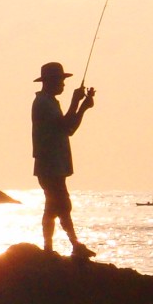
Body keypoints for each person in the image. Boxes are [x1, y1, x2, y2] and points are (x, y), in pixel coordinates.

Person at [32, 61, 96, 257]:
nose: (63, 85)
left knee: (55, 206)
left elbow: (69, 129)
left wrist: (83, 107)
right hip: (49, 164)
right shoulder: (42, 103)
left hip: (55, 164)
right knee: (60, 205)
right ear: (49, 81)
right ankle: (69, 246)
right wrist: (76, 102)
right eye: (60, 80)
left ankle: (54, 248)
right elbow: (63, 125)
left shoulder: (51, 102)